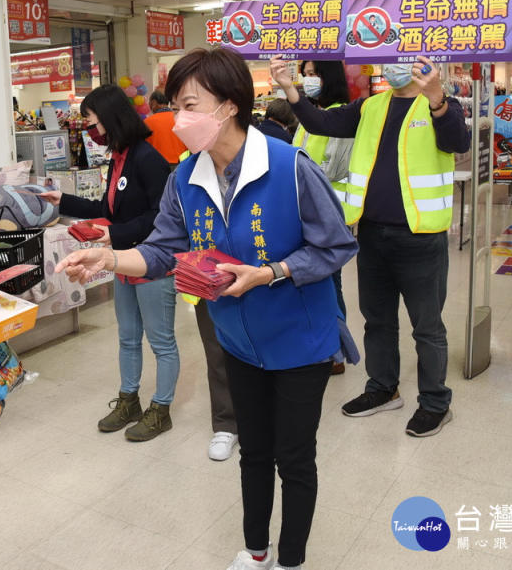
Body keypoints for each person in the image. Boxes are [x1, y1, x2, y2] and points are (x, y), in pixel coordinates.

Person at [56, 48, 358, 570]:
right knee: (253, 451)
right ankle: (257, 550)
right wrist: (107, 258)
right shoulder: (185, 178)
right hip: (237, 340)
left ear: (229, 105)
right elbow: (160, 251)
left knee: (293, 457)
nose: (180, 119)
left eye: (189, 104)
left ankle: (291, 559)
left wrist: (270, 272)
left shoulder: (288, 167)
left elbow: (336, 246)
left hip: (299, 340)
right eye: (175, 106)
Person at [271, 53, 470, 438]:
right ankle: (383, 387)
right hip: (373, 234)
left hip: (421, 236)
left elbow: (456, 141)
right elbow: (321, 122)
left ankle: (434, 402)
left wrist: (437, 99)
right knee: (377, 320)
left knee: (427, 327)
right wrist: (289, 89)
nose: (393, 66)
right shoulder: (370, 106)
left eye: (403, 58)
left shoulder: (440, 104)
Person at [39, 84, 178, 442]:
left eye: (90, 121)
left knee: (161, 341)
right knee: (128, 337)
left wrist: (111, 237)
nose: (88, 129)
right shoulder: (119, 159)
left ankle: (161, 409)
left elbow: (160, 217)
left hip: (151, 262)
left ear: (110, 119)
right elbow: (108, 210)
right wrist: (63, 201)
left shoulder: (147, 159)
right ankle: (129, 399)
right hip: (121, 263)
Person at [292, 59, 356, 375]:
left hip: (332, 213)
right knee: (313, 282)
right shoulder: (308, 117)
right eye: (304, 75)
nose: (308, 79)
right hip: (304, 212)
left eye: (313, 74)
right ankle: (321, 345)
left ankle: (337, 352)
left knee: (331, 283)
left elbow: (334, 167)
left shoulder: (342, 114)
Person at [145, 90, 187, 165]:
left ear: (154, 103)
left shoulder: (147, 122)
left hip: (157, 165)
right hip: (180, 165)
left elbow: (144, 148)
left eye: (150, 104)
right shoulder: (180, 119)